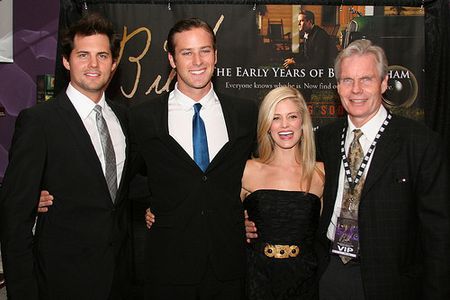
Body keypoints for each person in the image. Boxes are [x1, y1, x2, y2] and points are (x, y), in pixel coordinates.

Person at [248, 39, 450, 299]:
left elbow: (439, 235)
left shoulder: (420, 143)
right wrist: (248, 219)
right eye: (346, 80)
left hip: (391, 282)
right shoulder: (325, 140)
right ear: (337, 86)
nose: (356, 90)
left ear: (384, 83)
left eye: (366, 79)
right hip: (327, 274)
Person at [0, 13, 129, 299]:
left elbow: (133, 188)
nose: (93, 65)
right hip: (60, 282)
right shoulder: (39, 121)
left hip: (119, 282)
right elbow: (15, 217)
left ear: (114, 63)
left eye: (102, 56)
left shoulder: (125, 118)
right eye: (83, 55)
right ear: (66, 61)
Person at [129, 18, 257, 300]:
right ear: (172, 59)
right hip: (169, 266)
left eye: (205, 50)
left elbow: (263, 170)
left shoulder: (245, 114)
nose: (197, 61)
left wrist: (253, 210)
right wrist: (153, 202)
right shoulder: (144, 117)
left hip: (229, 265)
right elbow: (124, 177)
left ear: (216, 55)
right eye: (186, 52)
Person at [241, 86, 324, 299]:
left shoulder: (321, 173)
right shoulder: (247, 170)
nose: (284, 125)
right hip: (256, 282)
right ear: (267, 125)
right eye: (276, 118)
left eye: (292, 116)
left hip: (306, 282)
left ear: (303, 123)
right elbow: (210, 212)